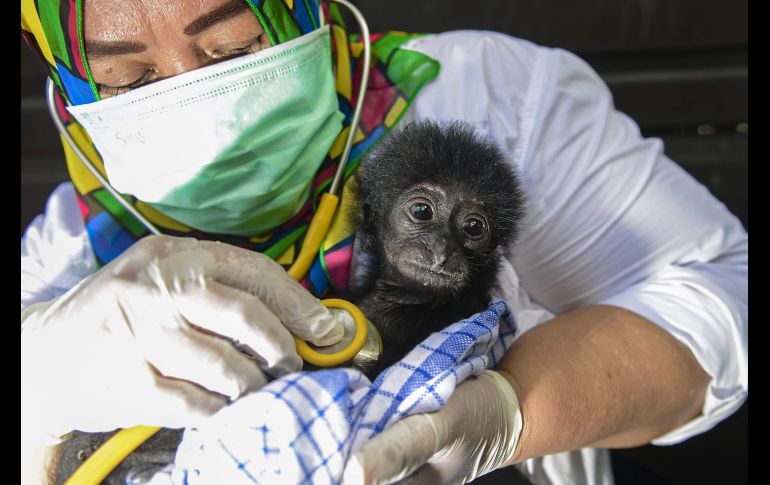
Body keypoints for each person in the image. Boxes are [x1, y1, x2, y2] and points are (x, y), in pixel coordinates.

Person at [20, 1, 748, 484]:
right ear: (68, 87)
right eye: (127, 78)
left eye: (235, 45)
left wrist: (514, 407)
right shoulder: (69, 247)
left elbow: (724, 292)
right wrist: (40, 367)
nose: (194, 92)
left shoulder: (486, 99)